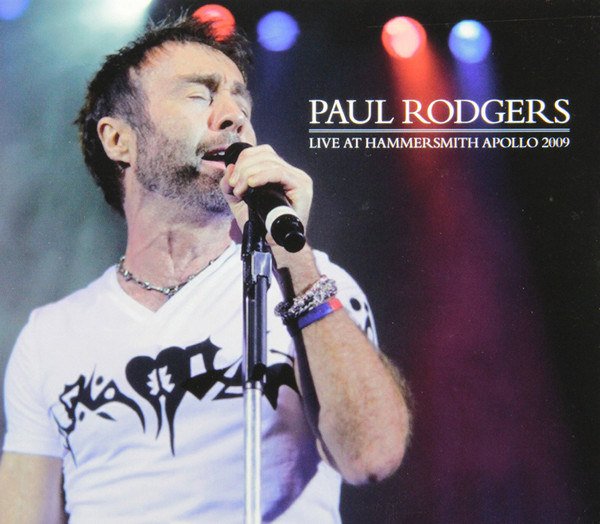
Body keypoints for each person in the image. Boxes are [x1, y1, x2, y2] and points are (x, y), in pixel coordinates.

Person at [0, 15, 410, 524]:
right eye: (199, 96)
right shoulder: (51, 336)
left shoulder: (313, 284)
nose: (234, 116)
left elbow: (371, 457)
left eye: (242, 102)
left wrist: (295, 262)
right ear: (118, 140)